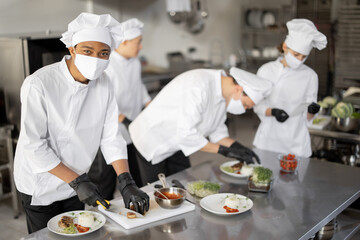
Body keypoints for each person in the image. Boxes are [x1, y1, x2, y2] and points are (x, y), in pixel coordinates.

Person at [13, 13, 149, 234]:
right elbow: (33, 145)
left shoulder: (104, 83)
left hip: (78, 183)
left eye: (103, 53)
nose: (96, 58)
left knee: (77, 233)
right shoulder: (39, 84)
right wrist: (77, 182)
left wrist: (126, 180)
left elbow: (111, 136)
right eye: (88, 50)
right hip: (40, 183)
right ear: (72, 48)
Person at [129, 67, 272, 184]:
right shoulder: (199, 86)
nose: (244, 109)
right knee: (158, 192)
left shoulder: (224, 94)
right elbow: (186, 134)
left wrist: (238, 148)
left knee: (182, 184)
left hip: (177, 143)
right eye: (246, 105)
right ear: (239, 90)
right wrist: (223, 151)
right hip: (152, 139)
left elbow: (218, 133)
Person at [89, 18, 150, 195]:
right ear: (124, 42)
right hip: (115, 129)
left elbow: (140, 86)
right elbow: (103, 100)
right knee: (110, 174)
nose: (141, 47)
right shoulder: (108, 65)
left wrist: (150, 105)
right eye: (138, 42)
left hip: (133, 126)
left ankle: (138, 200)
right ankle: (103, 207)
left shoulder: (135, 62)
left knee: (134, 171)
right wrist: (125, 119)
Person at [253, 19, 327, 157]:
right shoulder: (266, 70)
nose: (299, 60)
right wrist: (273, 112)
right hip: (268, 139)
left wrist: (312, 111)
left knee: (295, 177)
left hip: (296, 142)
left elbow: (308, 117)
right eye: (296, 54)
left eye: (303, 57)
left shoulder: (310, 76)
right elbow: (257, 105)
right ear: (285, 46)